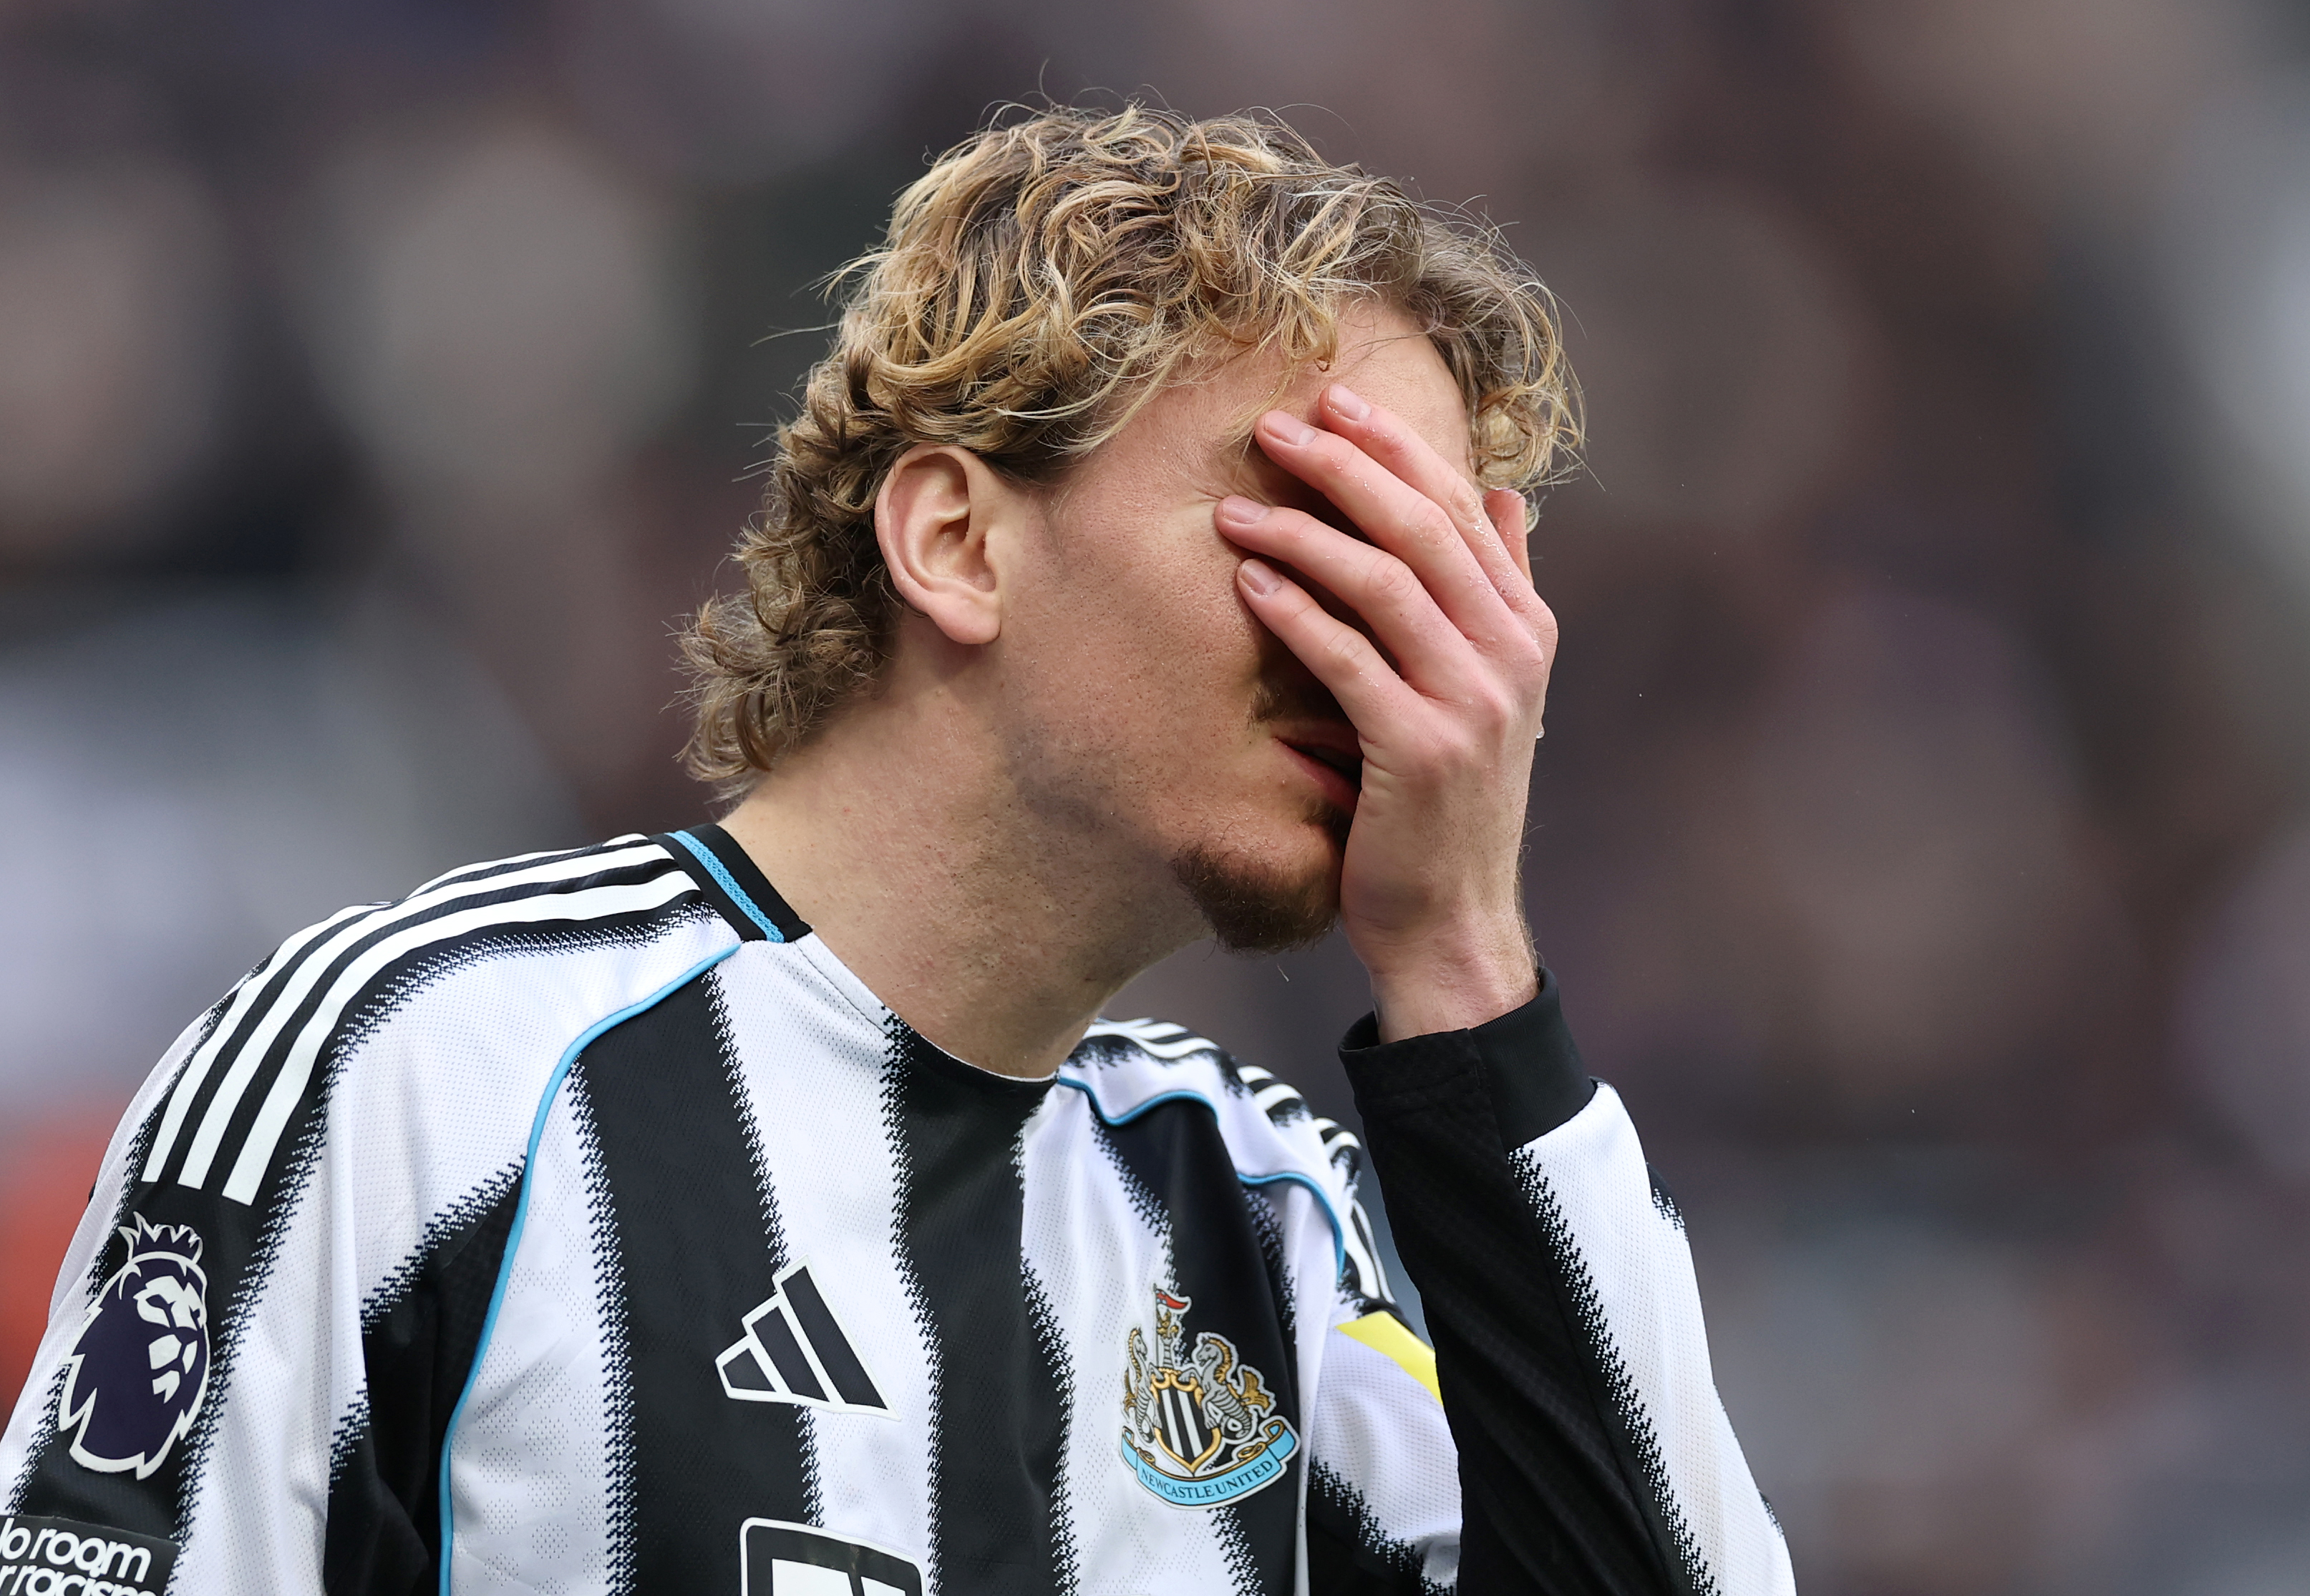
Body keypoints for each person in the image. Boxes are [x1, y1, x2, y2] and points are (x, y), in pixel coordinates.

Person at [0, 106, 1794, 1595]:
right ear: (955, 540)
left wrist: (1467, 964)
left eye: (1440, 574)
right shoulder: (413, 1080)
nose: (1388, 650)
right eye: (1313, 528)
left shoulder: (1280, 1227)